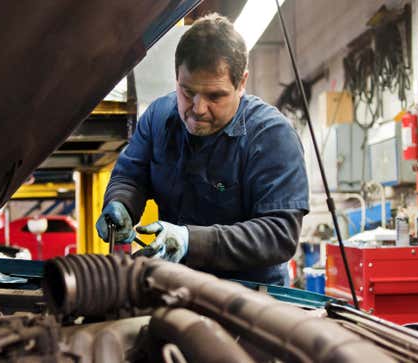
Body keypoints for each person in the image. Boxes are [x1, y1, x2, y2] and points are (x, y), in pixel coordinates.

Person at [95, 13, 309, 285]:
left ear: (241, 83)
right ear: (176, 77)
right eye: (187, 92)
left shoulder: (271, 137)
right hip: (175, 286)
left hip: (251, 302)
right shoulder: (158, 119)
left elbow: (279, 235)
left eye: (214, 96)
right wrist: (121, 202)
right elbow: (131, 176)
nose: (197, 109)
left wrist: (190, 241)